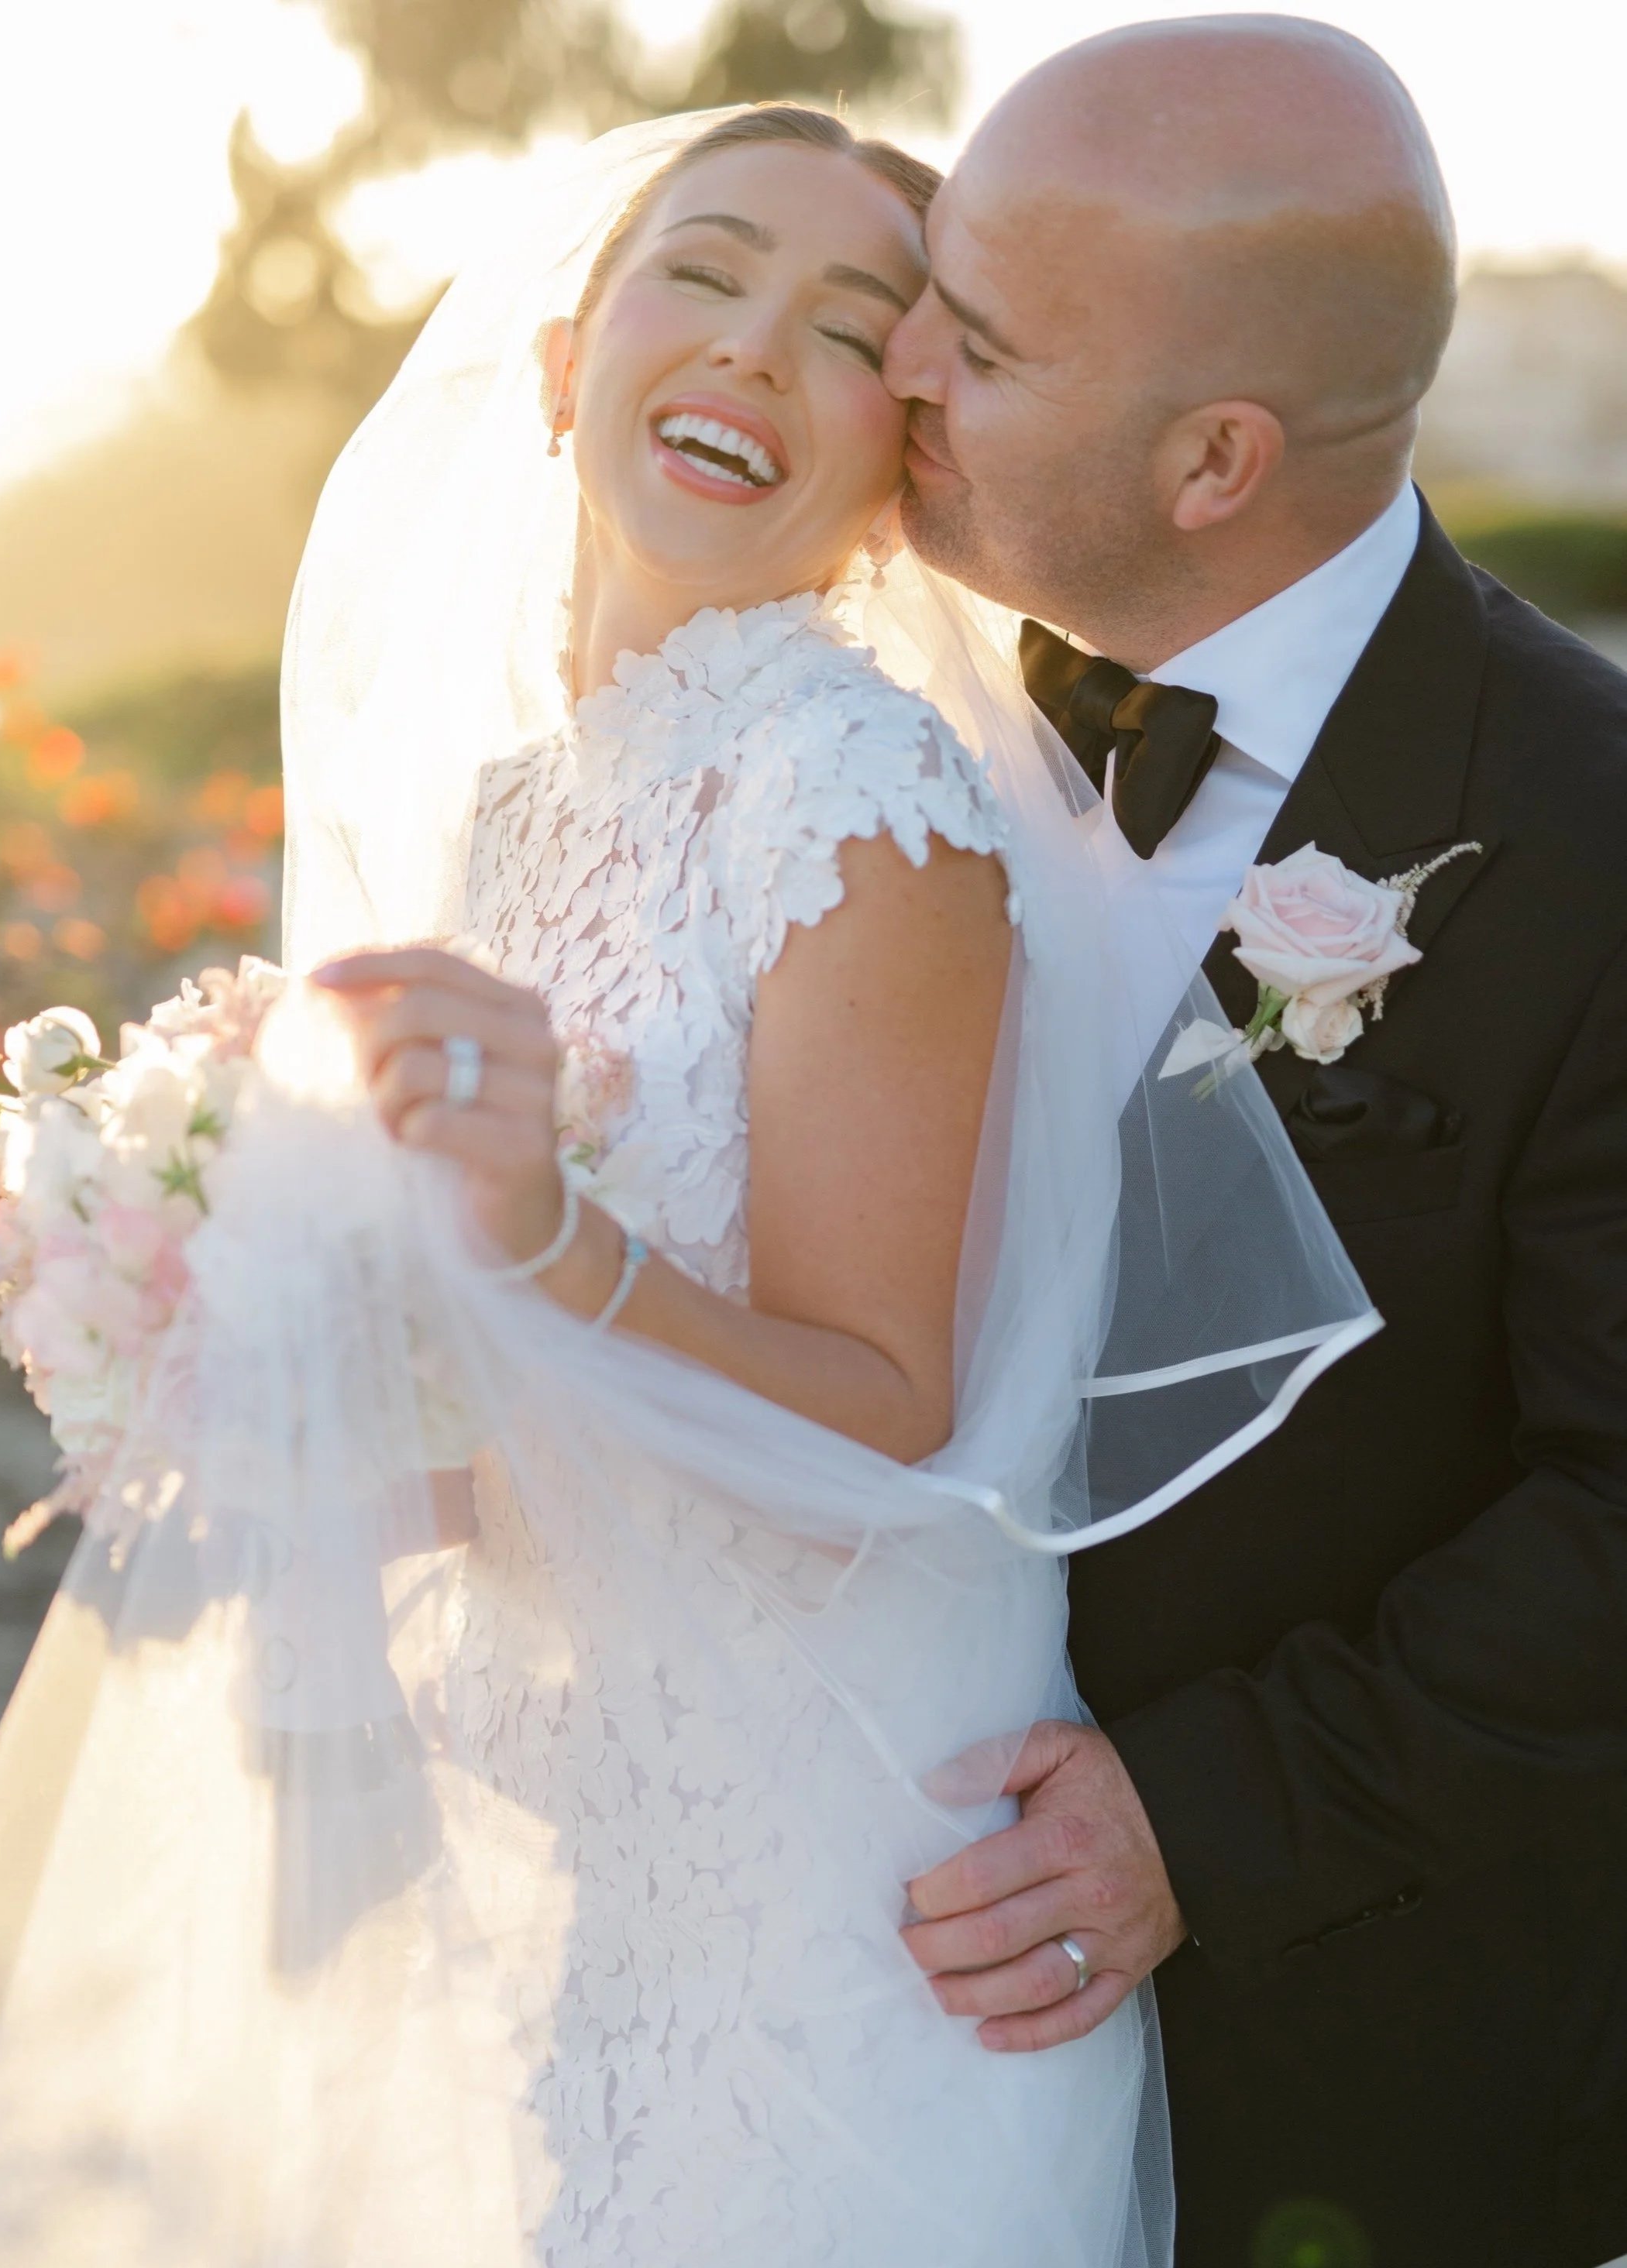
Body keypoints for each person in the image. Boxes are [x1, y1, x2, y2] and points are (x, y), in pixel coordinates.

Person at [0, 103, 1377, 2267]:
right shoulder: (525, 809)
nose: (750, 349)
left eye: (849, 330)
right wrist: (262, 1388)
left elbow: (885, 1415)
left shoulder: (867, 805)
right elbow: (552, 1401)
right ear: (569, 360)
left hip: (836, 1899)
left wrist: (544, 1232)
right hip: (586, 1832)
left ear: (891, 464)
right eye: (704, 273)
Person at [885, 19, 1627, 2265]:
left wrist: (1203, 1822)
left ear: (1215, 461)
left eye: (979, 338)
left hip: (1350, 2096)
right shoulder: (852, 711)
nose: (894, 355)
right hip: (839, 2014)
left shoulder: (1597, 844)